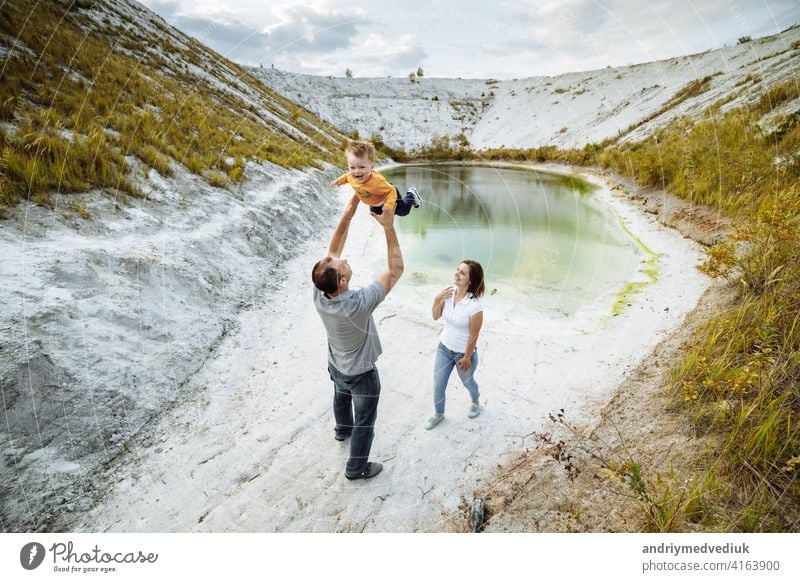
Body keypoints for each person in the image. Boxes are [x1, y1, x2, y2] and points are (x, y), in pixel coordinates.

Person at [312, 194, 404, 480]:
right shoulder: (359, 303)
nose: (344, 259)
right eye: (342, 266)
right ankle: (356, 468)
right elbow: (396, 270)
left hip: (336, 365)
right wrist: (388, 227)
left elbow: (332, 252)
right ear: (342, 281)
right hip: (362, 374)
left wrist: (349, 213)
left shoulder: (320, 291)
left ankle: (342, 431)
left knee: (340, 396)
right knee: (365, 421)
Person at [425, 260, 485, 430]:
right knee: (438, 385)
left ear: (471, 280)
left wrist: (467, 358)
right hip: (443, 348)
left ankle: (475, 401)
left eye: (462, 273)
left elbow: (474, 335)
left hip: (463, 354)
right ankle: (439, 414)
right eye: (457, 270)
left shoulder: (475, 306)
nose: (457, 274)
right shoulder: (448, 294)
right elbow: (435, 316)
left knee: (468, 382)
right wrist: (437, 298)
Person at [330, 140, 422, 216]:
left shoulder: (377, 182)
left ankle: (411, 195)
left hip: (388, 194)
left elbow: (391, 190)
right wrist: (338, 181)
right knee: (375, 213)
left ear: (371, 167)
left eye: (362, 167)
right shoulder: (351, 176)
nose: (356, 171)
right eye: (352, 167)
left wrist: (389, 204)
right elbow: (346, 176)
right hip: (375, 202)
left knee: (403, 211)